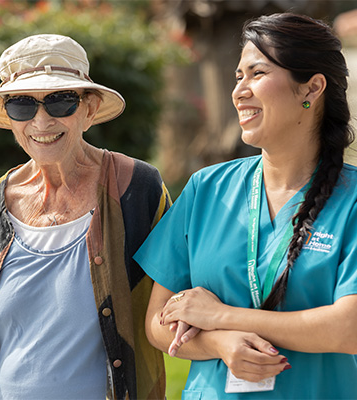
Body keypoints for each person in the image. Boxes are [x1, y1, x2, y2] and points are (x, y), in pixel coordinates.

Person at [134, 12, 357, 399]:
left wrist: (221, 316)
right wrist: (219, 343)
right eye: (238, 77)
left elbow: (349, 328)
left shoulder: (351, 200)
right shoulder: (207, 188)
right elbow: (157, 321)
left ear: (312, 88)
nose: (239, 91)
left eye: (257, 73)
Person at [0, 34, 170, 400]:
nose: (41, 120)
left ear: (89, 108)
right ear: (9, 118)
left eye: (60, 102)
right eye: (22, 105)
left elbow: (181, 295)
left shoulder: (137, 189)